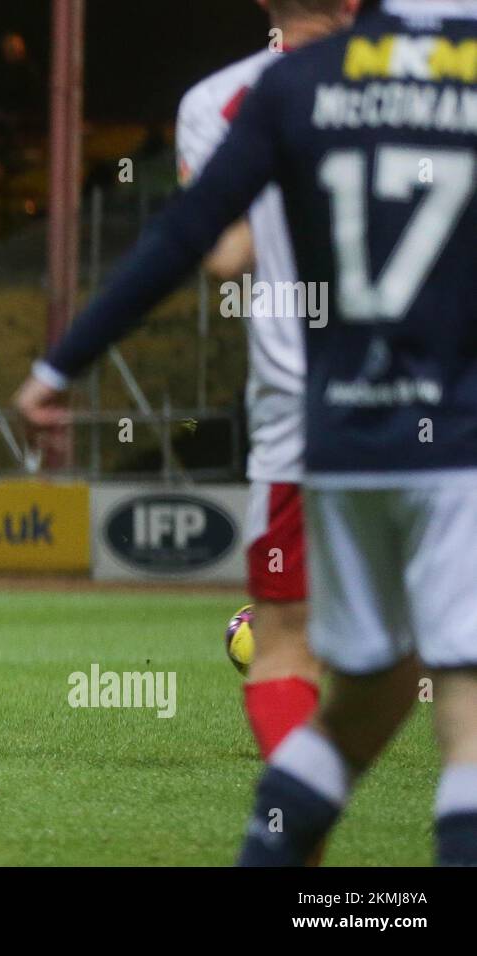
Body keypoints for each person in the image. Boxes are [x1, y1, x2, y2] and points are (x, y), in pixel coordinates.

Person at [15, 0, 477, 864]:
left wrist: (59, 365)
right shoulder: (458, 72)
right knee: (463, 703)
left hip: (319, 421)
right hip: (450, 421)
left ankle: (280, 850)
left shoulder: (259, 91)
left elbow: (207, 246)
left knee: (342, 676)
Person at [175, 0, 362, 763]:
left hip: (300, 410)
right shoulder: (438, 74)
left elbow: (224, 256)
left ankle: (297, 835)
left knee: (283, 645)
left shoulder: (222, 99)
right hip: (438, 397)